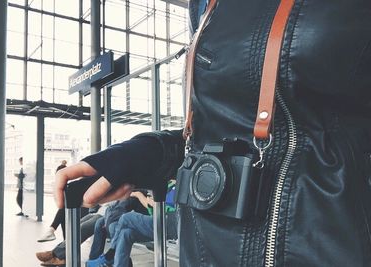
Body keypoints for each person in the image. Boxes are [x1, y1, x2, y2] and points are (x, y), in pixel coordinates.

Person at [54, 1, 371, 266]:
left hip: (324, 243)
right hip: (206, 250)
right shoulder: (205, 6)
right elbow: (218, 131)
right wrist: (146, 155)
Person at [86, 181, 177, 267]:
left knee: (126, 217)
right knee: (126, 233)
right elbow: (153, 208)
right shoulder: (166, 184)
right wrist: (150, 203)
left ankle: (111, 254)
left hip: (167, 223)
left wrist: (150, 202)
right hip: (156, 220)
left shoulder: (175, 187)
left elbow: (170, 210)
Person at [38, 160, 69, 242]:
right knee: (63, 214)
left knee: (63, 211)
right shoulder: (61, 187)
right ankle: (65, 245)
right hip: (67, 212)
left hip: (79, 211)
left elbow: (61, 205)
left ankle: (51, 230)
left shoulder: (69, 187)